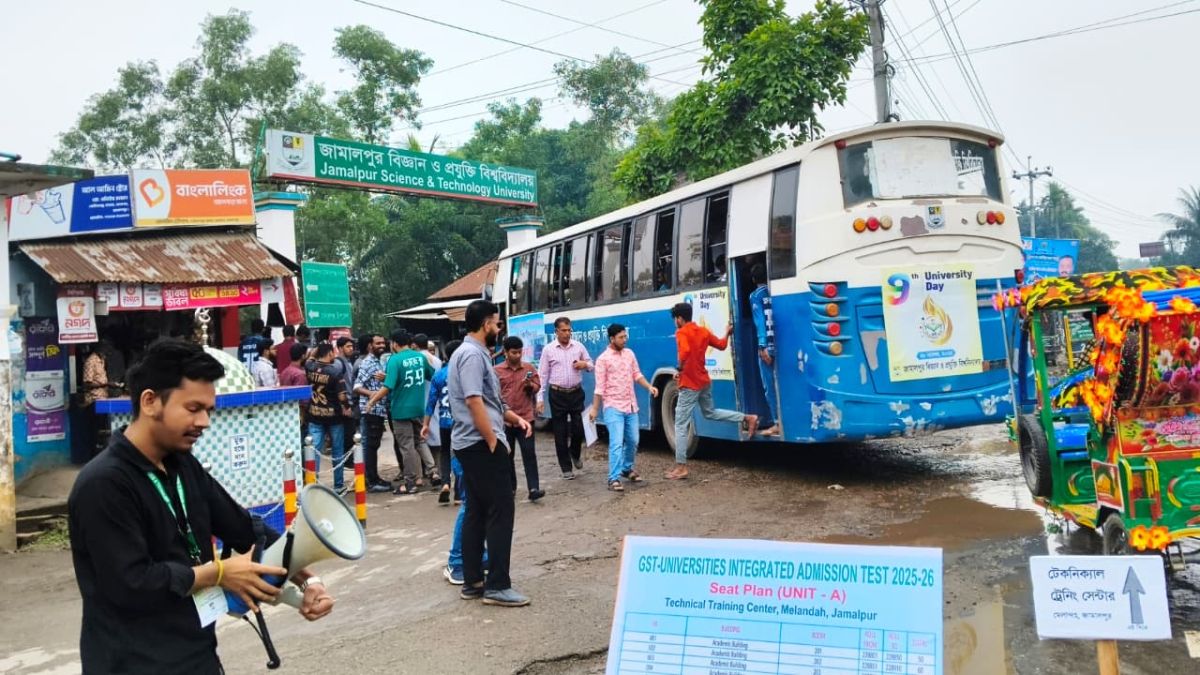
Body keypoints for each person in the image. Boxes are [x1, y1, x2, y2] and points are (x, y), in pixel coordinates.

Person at [67, 339, 333, 674]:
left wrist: (307, 580)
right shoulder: (103, 484)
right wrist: (217, 573)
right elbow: (131, 584)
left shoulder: (183, 465)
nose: (205, 422)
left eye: (208, 410)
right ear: (150, 402)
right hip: (132, 663)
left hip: (197, 654)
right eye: (193, 409)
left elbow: (244, 528)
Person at [448, 300, 533, 607]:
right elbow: (473, 401)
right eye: (496, 323)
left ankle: (473, 582)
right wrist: (492, 440)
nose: (499, 328)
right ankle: (497, 585)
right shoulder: (472, 355)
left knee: (477, 511)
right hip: (480, 444)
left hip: (472, 443)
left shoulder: (472, 352)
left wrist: (514, 418)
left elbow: (490, 401)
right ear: (485, 324)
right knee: (500, 510)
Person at [667, 302, 758, 480]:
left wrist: (680, 368)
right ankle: (747, 418)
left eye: (675, 319)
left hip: (690, 384)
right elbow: (722, 345)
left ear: (679, 319)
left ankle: (681, 467)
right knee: (711, 413)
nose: (675, 322)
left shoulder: (681, 332)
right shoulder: (703, 331)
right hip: (704, 382)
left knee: (680, 424)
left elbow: (685, 351)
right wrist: (727, 332)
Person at [589, 324, 659, 492]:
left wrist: (649, 386)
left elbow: (637, 374)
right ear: (612, 339)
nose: (624, 340)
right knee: (616, 443)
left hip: (630, 405)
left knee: (633, 440)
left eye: (625, 336)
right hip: (613, 407)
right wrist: (595, 409)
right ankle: (613, 478)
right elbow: (599, 388)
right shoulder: (603, 360)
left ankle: (626, 468)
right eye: (621, 337)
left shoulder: (629, 354)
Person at [367, 330, 436, 495]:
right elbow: (432, 375)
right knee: (420, 441)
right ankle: (433, 471)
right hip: (418, 407)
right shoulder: (420, 357)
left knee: (406, 446)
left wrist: (372, 400)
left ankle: (410, 482)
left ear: (394, 344)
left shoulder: (394, 360)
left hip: (400, 410)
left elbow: (388, 386)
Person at [536, 317, 592, 480]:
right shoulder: (549, 350)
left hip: (576, 392)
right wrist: (539, 398)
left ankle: (575, 453)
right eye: (564, 330)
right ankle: (566, 467)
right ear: (556, 332)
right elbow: (542, 375)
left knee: (579, 428)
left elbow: (591, 364)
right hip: (557, 394)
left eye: (569, 330)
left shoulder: (578, 347)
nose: (567, 333)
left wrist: (584, 365)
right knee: (560, 431)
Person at [495, 336, 544, 502]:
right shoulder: (497, 371)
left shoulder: (528, 368)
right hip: (505, 421)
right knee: (507, 456)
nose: (517, 355)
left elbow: (537, 386)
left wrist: (529, 385)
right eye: (514, 352)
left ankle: (533, 488)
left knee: (529, 454)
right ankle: (511, 488)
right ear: (506, 352)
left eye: (519, 352)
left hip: (526, 418)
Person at [307, 344, 352, 493]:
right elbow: (342, 396)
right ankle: (338, 485)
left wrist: (316, 351)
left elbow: (310, 358)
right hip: (334, 417)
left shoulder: (310, 367)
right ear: (330, 353)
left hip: (315, 414)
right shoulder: (335, 372)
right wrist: (347, 407)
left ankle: (313, 485)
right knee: (337, 451)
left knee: (314, 451)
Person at [423, 340, 461, 506]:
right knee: (459, 454)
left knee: (445, 452)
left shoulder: (439, 375)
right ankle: (459, 493)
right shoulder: (463, 372)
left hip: (444, 421)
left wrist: (425, 424)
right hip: (460, 422)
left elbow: (431, 403)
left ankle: (445, 482)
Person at [352, 334, 392, 493]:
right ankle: (372, 481)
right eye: (378, 343)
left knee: (373, 445)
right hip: (370, 410)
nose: (382, 345)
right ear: (370, 346)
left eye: (383, 342)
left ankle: (374, 478)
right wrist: (373, 395)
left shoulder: (379, 361)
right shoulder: (368, 363)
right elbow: (357, 387)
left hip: (378, 410)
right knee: (370, 446)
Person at [749, 264, 780, 437]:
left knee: (770, 386)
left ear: (753, 279)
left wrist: (762, 346)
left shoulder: (755, 296)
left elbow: (760, 321)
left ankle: (777, 422)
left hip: (767, 346)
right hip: (779, 344)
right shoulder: (776, 291)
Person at [335, 336, 359, 471]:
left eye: (352, 346)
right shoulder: (338, 363)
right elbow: (337, 385)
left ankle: (348, 460)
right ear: (340, 348)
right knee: (347, 434)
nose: (351, 349)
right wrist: (343, 405)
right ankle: (346, 461)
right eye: (348, 346)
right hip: (345, 404)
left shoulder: (348, 362)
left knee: (350, 433)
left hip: (350, 403)